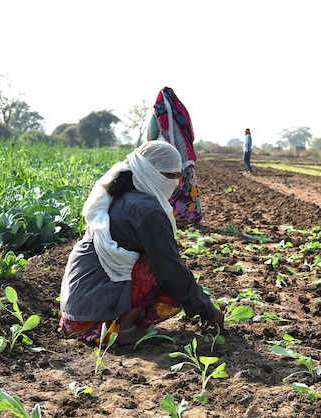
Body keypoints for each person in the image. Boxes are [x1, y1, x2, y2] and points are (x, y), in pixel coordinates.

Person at [58, 140, 224, 346]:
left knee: (158, 258)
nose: (175, 182)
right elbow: (170, 270)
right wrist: (207, 309)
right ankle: (123, 328)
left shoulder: (124, 192)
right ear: (150, 172)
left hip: (78, 306)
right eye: (169, 176)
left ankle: (121, 321)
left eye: (177, 176)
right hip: (92, 311)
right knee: (156, 265)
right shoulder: (148, 211)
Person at [147, 87, 202, 226]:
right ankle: (192, 218)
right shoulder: (181, 112)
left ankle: (171, 219)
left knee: (169, 186)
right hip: (186, 155)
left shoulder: (158, 111)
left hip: (167, 156)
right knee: (188, 186)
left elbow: (151, 135)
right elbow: (191, 133)